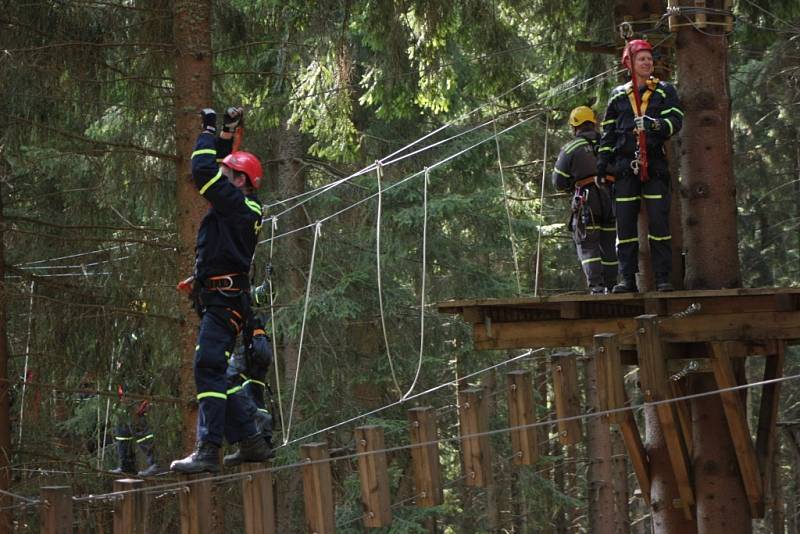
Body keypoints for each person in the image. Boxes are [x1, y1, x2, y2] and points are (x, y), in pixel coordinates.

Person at [170, 107, 272, 474]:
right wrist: (226, 135)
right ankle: (251, 441)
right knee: (222, 374)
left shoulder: (237, 205)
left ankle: (208, 448)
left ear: (241, 180)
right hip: (222, 298)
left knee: (207, 368)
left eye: (228, 174)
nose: (221, 178)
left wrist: (208, 131)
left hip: (225, 302)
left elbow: (201, 171)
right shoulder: (238, 206)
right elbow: (214, 172)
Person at [595, 39, 684, 293]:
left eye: (649, 58)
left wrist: (654, 124)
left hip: (653, 164)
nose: (647, 62)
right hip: (624, 167)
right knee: (624, 226)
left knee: (658, 224)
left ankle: (663, 278)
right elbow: (608, 132)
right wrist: (602, 166)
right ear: (629, 64)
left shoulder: (665, 91)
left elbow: (676, 120)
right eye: (641, 59)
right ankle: (627, 279)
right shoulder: (618, 95)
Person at [552, 106, 618, 294]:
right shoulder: (609, 143)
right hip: (610, 197)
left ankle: (596, 287)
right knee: (608, 242)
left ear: (574, 127)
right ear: (593, 123)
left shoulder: (571, 148)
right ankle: (612, 285)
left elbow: (558, 181)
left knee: (587, 242)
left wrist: (571, 187)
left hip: (587, 200)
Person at [222, 313, 276, 466]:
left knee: (228, 380)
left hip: (250, 349)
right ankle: (258, 442)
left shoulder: (248, 302)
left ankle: (257, 440)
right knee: (250, 392)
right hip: (253, 347)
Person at [110, 396, 161, 477]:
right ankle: (126, 467)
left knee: (144, 437)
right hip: (123, 403)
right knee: (123, 436)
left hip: (137, 403)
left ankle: (155, 465)